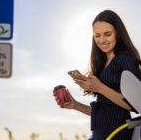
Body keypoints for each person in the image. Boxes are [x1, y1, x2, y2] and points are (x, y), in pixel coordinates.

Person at [54, 10, 141, 140]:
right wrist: (75, 105)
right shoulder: (101, 65)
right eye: (97, 35)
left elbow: (136, 104)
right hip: (99, 132)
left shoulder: (124, 59)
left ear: (118, 33)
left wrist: (100, 87)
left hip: (116, 133)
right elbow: (104, 111)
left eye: (107, 34)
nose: (101, 40)